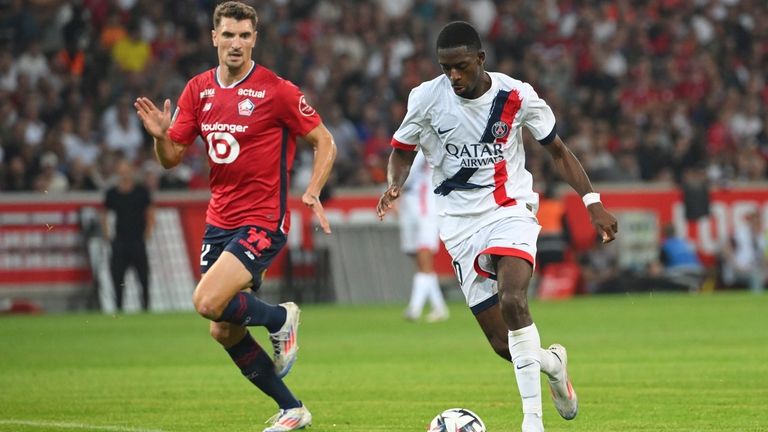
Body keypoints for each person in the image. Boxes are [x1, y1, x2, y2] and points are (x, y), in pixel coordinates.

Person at [376, 22, 618, 432]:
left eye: (461, 66)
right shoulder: (425, 99)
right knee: (503, 344)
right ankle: (553, 365)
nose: (453, 76)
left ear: (480, 60)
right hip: (458, 225)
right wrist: (395, 183)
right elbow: (401, 151)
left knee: (513, 301)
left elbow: (558, 152)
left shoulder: (516, 95)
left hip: (510, 210)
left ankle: (532, 422)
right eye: (445, 68)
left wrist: (592, 202)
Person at [133, 2, 336, 431]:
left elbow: (324, 140)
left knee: (206, 302)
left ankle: (280, 318)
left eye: (244, 36)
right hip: (219, 220)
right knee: (222, 328)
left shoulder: (276, 90)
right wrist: (159, 137)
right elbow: (171, 158)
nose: (236, 44)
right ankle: (292, 409)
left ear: (254, 40)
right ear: (214, 37)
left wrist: (313, 189)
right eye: (228, 35)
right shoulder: (197, 90)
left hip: (263, 218)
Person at [399, 151, 450, 322]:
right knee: (421, 263)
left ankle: (414, 309)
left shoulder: (427, 145)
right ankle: (439, 307)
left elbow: (407, 172)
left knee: (424, 258)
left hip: (426, 210)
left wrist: (393, 187)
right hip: (411, 206)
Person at [101, 158, 154, 311]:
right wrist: (107, 234)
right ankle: (118, 307)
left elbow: (150, 211)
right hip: (120, 240)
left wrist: (148, 232)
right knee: (117, 277)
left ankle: (145, 307)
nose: (124, 174)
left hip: (137, 240)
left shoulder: (141, 192)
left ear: (131, 171)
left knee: (143, 277)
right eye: (121, 171)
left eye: (127, 170)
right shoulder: (112, 193)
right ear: (118, 172)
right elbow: (104, 213)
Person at [722, 210, 766, 294]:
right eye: (754, 221)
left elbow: (763, 258)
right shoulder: (740, 233)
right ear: (750, 222)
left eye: (758, 221)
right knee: (755, 276)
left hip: (755, 269)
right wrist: (735, 264)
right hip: (739, 270)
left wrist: (765, 271)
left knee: (756, 274)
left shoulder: (762, 238)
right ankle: (756, 300)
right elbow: (726, 248)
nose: (756, 223)